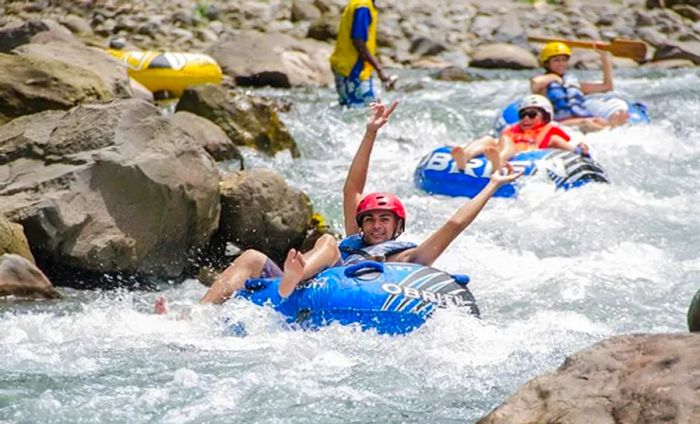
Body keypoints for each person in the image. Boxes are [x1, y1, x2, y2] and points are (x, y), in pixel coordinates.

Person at [155, 101, 521, 314]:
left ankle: (293, 278)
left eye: (384, 220)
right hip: (307, 279)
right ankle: (198, 316)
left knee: (328, 243)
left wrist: (491, 185)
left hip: (364, 293)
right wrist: (371, 132)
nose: (376, 225)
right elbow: (353, 187)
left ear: (397, 228)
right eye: (371, 219)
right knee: (256, 255)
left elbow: (456, 223)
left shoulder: (411, 259)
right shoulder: (351, 241)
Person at [450, 95, 589, 172]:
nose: (526, 118)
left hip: (526, 156)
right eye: (523, 114)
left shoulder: (552, 133)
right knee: (488, 139)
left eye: (532, 114)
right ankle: (463, 157)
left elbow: (567, 147)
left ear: (545, 116)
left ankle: (498, 162)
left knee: (506, 140)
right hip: (501, 151)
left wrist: (579, 150)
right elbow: (497, 142)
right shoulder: (512, 129)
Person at [530, 41, 629, 132]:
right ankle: (612, 130)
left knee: (603, 120)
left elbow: (607, 86)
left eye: (564, 60)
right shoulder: (543, 85)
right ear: (547, 63)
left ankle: (615, 131)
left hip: (582, 119)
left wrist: (604, 56)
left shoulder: (572, 83)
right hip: (559, 123)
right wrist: (554, 77)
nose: (561, 63)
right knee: (587, 123)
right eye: (556, 60)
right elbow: (535, 82)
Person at [329, 0, 396, 108]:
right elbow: (358, 41)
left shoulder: (359, 3)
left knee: (351, 111)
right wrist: (379, 69)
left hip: (346, 67)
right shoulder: (363, 7)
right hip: (352, 70)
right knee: (366, 112)